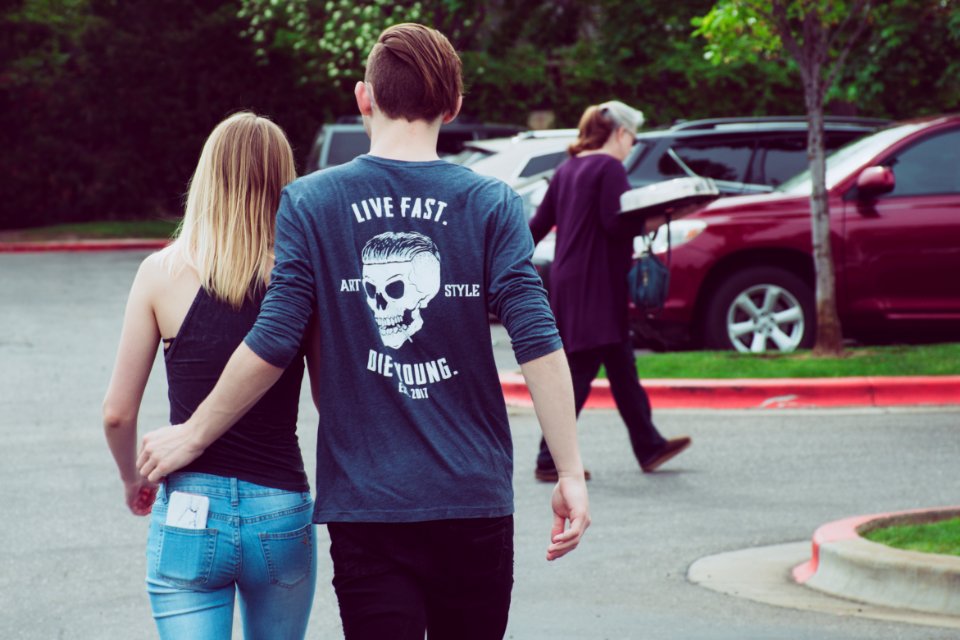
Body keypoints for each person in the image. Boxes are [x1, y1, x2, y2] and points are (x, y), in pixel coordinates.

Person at [135, 23, 590, 640]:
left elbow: (275, 338)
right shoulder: (492, 203)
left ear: (363, 97)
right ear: (453, 107)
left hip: (368, 506)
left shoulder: (311, 203)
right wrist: (567, 470)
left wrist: (194, 434)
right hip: (474, 500)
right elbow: (537, 336)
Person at [103, 112, 316, 640]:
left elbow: (117, 413)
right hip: (281, 510)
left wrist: (134, 477)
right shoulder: (297, 276)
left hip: (191, 506)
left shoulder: (162, 273)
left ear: (207, 177)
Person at [529, 101, 692, 483]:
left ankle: (649, 444)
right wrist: (666, 216)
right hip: (598, 285)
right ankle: (548, 459)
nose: (632, 148)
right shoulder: (608, 167)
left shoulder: (567, 168)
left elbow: (537, 225)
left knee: (622, 368)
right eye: (632, 139)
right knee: (582, 371)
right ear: (619, 133)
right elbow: (615, 225)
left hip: (571, 283)